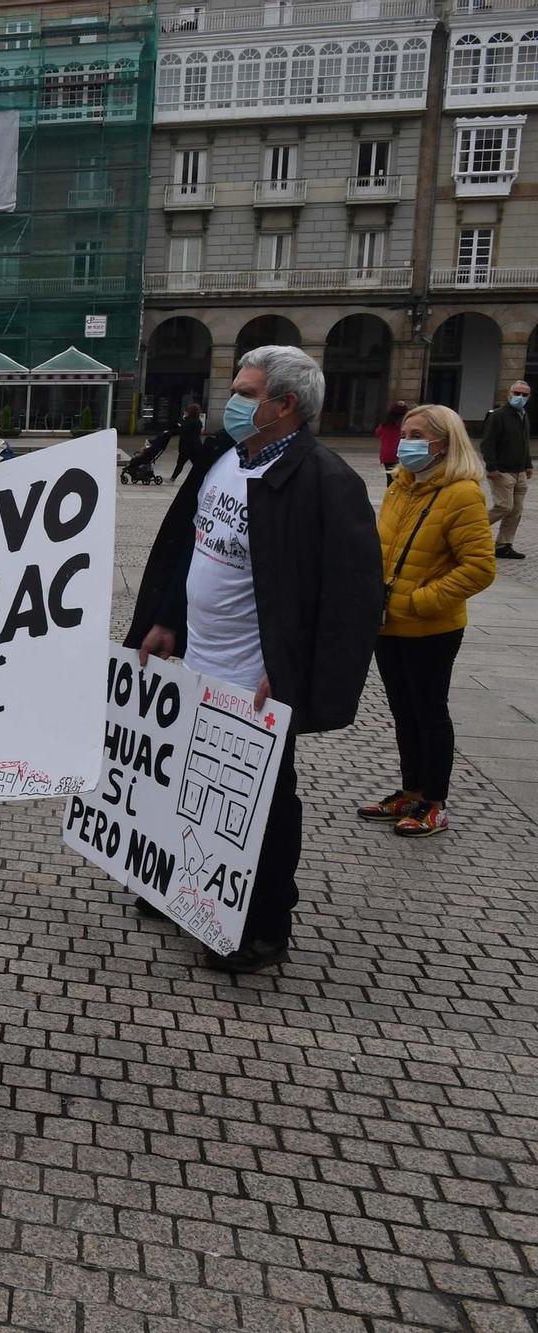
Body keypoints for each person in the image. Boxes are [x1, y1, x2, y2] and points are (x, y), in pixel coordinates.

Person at [127, 345, 383, 973]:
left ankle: (264, 924)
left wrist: (292, 669)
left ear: (286, 405)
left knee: (262, 805)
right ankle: (185, 886)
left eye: (247, 392)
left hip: (257, 678)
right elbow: (192, 545)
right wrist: (167, 617)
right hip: (198, 662)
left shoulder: (325, 480)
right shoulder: (223, 457)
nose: (232, 401)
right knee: (191, 782)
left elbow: (350, 596)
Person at [358, 405, 495, 839]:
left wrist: (421, 600)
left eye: (417, 434)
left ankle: (434, 802)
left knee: (429, 712)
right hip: (388, 622)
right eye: (405, 433)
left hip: (430, 625)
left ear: (442, 443)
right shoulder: (401, 484)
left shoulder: (462, 493)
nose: (407, 442)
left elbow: (480, 567)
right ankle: (410, 790)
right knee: (403, 711)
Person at [481, 379, 531, 560]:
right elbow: (488, 443)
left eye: (524, 394)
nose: (520, 397)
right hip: (502, 470)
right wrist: (491, 466)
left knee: (516, 510)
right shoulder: (498, 415)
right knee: (504, 507)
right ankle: (469, 530)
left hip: (519, 471)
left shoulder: (523, 415)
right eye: (517, 393)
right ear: (509, 394)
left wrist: (528, 465)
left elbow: (524, 443)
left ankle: (504, 544)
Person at [171, 401, 207, 484]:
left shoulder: (188, 422)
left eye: (187, 411)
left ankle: (173, 478)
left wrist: (178, 426)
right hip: (196, 446)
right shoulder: (198, 422)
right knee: (196, 464)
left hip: (186, 446)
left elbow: (181, 430)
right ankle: (200, 478)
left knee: (180, 463)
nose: (185, 412)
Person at [375, 401, 406, 478]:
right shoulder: (404, 425)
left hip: (387, 455)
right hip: (401, 454)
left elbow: (378, 433)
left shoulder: (384, 424)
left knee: (390, 479)